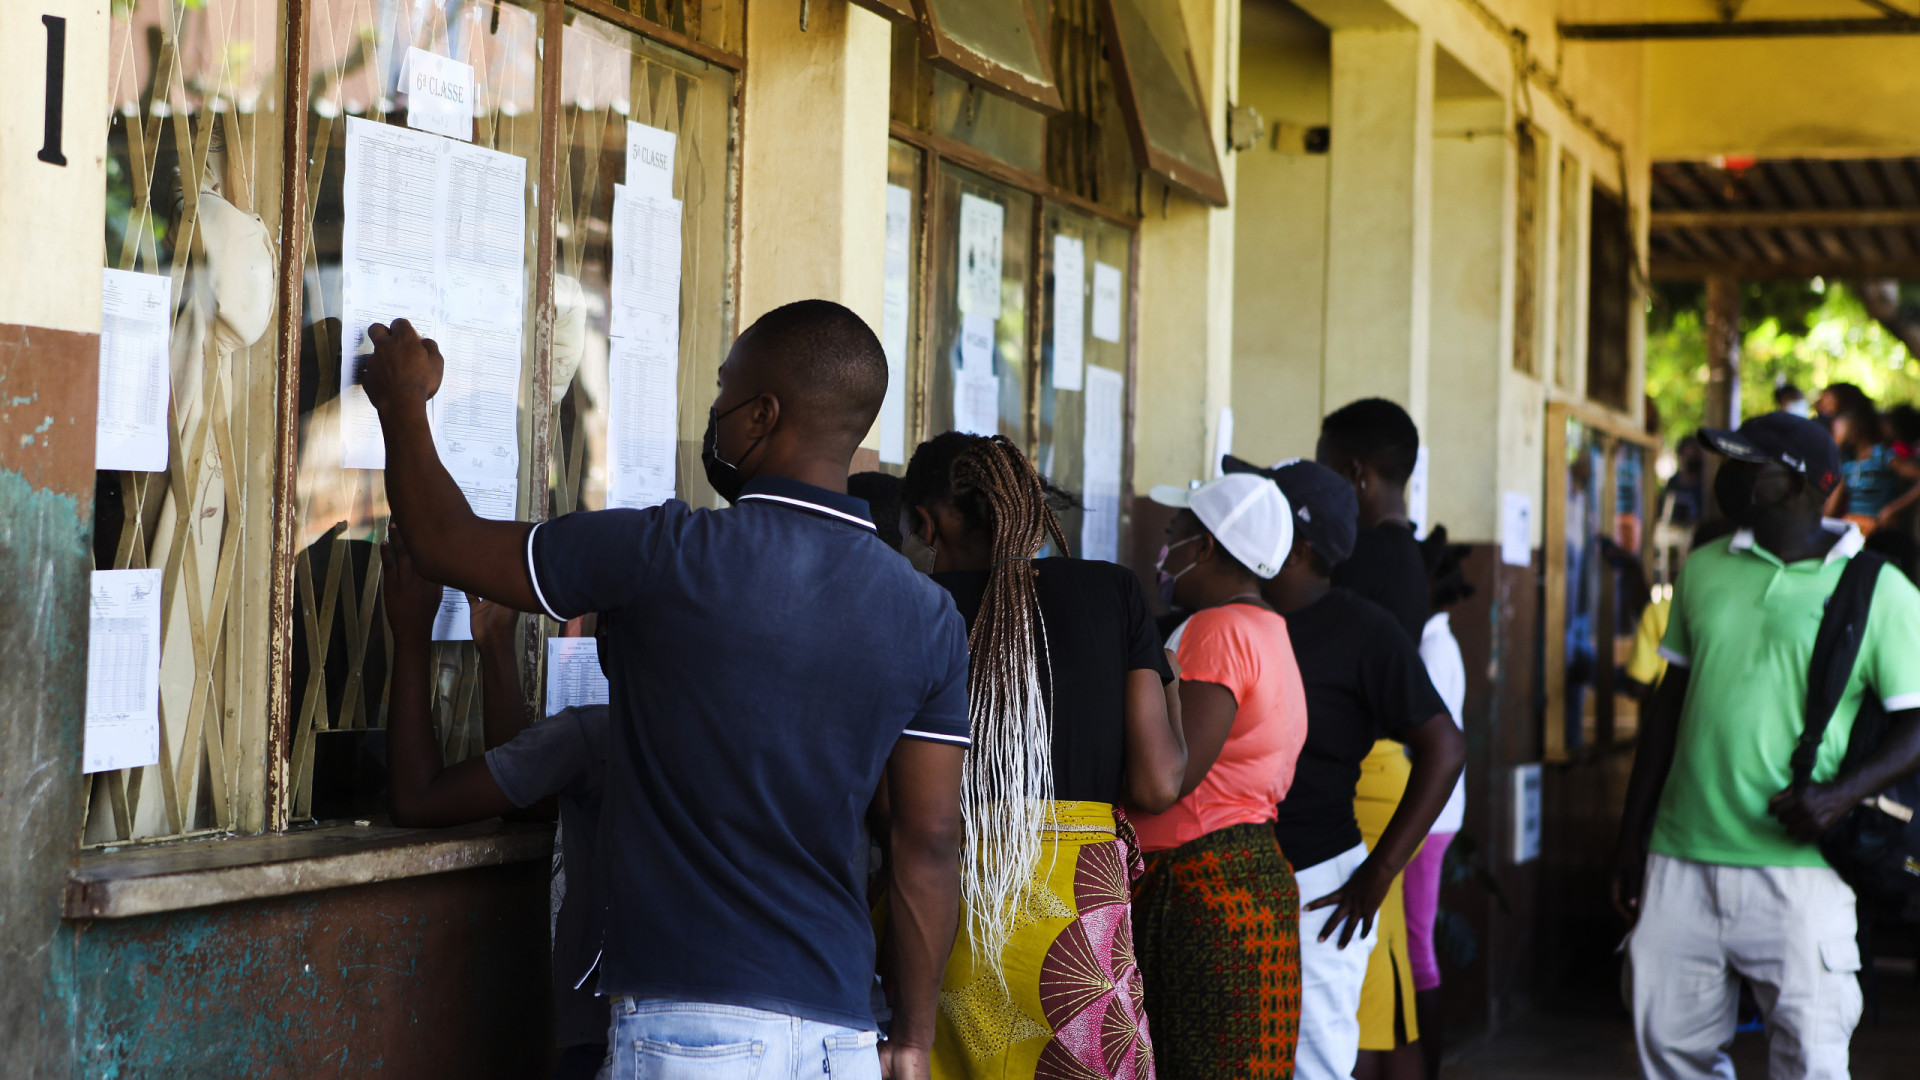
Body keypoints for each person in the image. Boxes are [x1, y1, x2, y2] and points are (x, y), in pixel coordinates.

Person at [359, 301, 972, 1080]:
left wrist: (404, 401)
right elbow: (929, 846)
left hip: (691, 1026)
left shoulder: (666, 552)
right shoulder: (927, 615)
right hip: (840, 1036)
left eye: (723, 393)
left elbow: (443, 539)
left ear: (762, 415)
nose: (713, 412)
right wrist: (913, 1040)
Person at [1610, 411, 1920, 1080]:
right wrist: (1632, 838)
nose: (1731, 477)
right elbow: (1667, 710)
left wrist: (1840, 795)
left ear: (1805, 484)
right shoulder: (1702, 571)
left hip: (1801, 867)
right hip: (1679, 859)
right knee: (1669, 1054)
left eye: (1750, 465)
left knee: (1809, 1061)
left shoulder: (1878, 590)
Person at [893, 432, 1185, 1080]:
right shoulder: (1114, 595)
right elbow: (1159, 781)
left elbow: (889, 801)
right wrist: (1171, 684)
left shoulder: (913, 610)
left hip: (947, 916)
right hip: (1079, 929)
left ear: (926, 523)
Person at [1234, 459, 1466, 1080]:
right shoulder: (1229, 616)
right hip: (1231, 876)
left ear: (1300, 547)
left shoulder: (1364, 630)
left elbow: (1445, 747)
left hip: (1317, 881)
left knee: (1315, 1060)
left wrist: (1380, 872)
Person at [377, 529, 611, 1080]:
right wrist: (496, 649)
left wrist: (411, 638)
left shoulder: (597, 738)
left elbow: (416, 800)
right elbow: (527, 800)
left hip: (609, 1041)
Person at [1130, 473, 1310, 1080]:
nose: (1166, 548)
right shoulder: (1271, 629)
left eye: (1176, 533)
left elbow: (1174, 775)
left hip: (1201, 889)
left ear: (1205, 548)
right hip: (1247, 873)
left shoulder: (1217, 629)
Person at [1406, 527, 1474, 1080]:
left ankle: (1429, 1066)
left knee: (1415, 947)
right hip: (1438, 815)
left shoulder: (1432, 648)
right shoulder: (1435, 642)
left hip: (1429, 819)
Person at [1316, 398, 1431, 641]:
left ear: (1353, 473)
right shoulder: (1412, 553)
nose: (1319, 485)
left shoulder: (1356, 554)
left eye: (1323, 470)